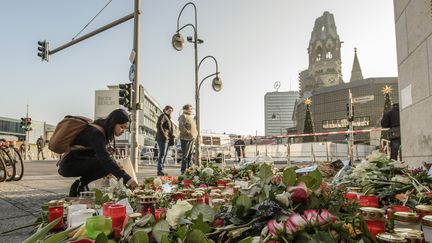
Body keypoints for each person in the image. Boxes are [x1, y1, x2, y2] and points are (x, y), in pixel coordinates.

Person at [58, 109, 139, 197]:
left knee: (110, 164)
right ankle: (80, 185)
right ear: (113, 123)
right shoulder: (97, 133)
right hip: (69, 165)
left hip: (78, 161)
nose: (123, 131)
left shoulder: (102, 130)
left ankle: (80, 185)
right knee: (108, 164)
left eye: (125, 129)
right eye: (122, 127)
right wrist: (128, 180)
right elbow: (106, 160)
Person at [155, 105, 174, 176]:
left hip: (166, 139)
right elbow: (158, 125)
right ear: (165, 110)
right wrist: (164, 135)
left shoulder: (168, 118)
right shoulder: (163, 116)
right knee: (162, 155)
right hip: (162, 138)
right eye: (169, 110)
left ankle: (161, 170)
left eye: (171, 111)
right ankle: (159, 171)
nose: (170, 112)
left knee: (164, 155)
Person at [178, 104, 197, 174]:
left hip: (191, 138)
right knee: (185, 155)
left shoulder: (191, 117)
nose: (191, 110)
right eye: (190, 109)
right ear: (185, 109)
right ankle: (183, 171)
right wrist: (189, 133)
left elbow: (193, 126)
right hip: (185, 138)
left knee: (190, 155)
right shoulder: (183, 116)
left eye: (191, 109)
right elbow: (181, 127)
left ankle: (189, 170)